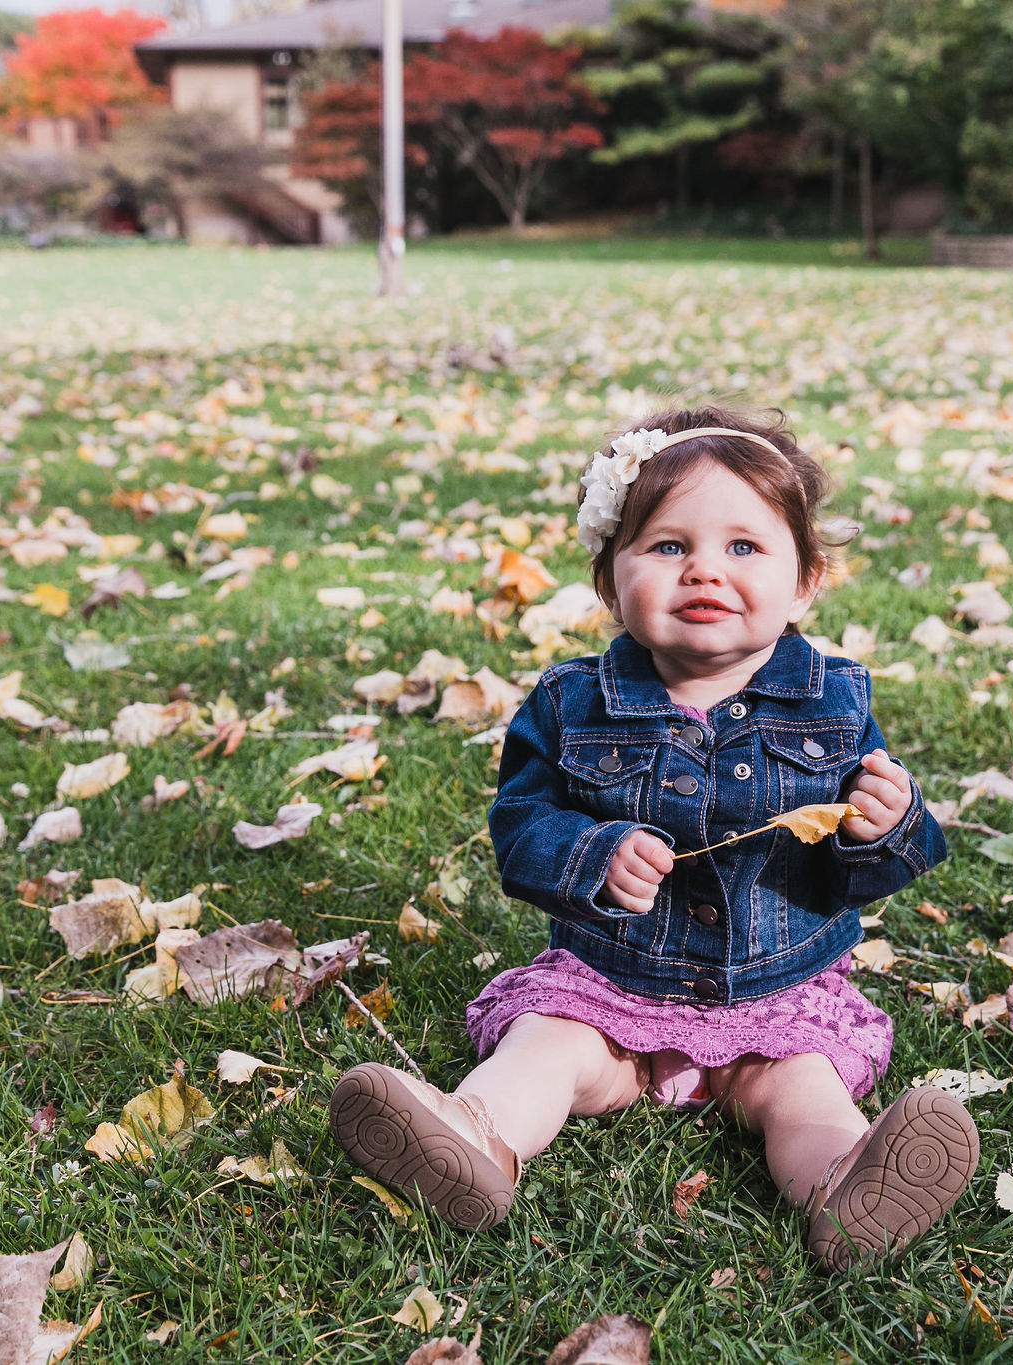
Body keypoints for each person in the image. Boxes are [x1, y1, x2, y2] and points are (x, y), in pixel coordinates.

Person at [328, 405, 976, 1271]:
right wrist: (591, 855)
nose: (705, 568)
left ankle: (847, 1182)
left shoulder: (836, 702)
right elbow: (521, 829)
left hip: (772, 998)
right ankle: (476, 1138)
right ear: (610, 577)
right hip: (612, 988)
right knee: (547, 1045)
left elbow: (873, 866)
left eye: (744, 547)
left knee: (798, 1087)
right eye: (669, 546)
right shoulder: (570, 704)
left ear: (806, 579)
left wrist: (886, 826)